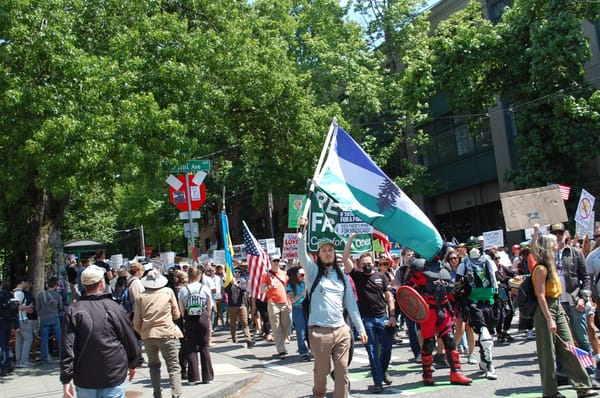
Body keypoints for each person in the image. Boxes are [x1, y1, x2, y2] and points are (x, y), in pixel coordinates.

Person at [298, 217, 367, 398]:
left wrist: (360, 328)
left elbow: (351, 305)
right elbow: (301, 254)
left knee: (342, 370)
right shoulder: (312, 272)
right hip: (319, 332)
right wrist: (302, 230)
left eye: (330, 250)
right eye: (324, 250)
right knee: (322, 371)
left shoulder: (342, 276)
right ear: (318, 254)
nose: (328, 253)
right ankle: (318, 394)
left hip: (342, 330)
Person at [532, 229, 598, 398]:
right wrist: (549, 319)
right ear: (549, 246)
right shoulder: (541, 268)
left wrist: (560, 312)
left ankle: (582, 385)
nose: (558, 244)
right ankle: (550, 392)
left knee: (569, 346)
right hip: (545, 309)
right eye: (554, 242)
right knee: (547, 352)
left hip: (557, 307)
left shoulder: (552, 263)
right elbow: (540, 295)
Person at [61, 265, 139, 398]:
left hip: (85, 376)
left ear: (83, 285)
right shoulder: (114, 307)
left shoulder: (74, 310)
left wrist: (66, 378)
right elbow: (129, 338)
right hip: (112, 373)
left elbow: (67, 347)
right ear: (102, 283)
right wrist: (133, 362)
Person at [405, 251, 472, 386]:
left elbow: (449, 292)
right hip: (428, 310)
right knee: (429, 343)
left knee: (450, 340)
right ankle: (427, 374)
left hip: (443, 309)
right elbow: (408, 289)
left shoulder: (445, 267)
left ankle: (456, 373)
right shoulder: (419, 267)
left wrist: (459, 290)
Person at [342, 239, 395, 393]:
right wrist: (351, 240)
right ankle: (377, 381)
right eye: (364, 263)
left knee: (387, 349)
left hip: (382, 318)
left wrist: (392, 315)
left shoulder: (382, 277)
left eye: (369, 262)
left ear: (374, 263)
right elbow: (346, 259)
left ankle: (383, 371)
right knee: (372, 351)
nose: (367, 265)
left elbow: (389, 297)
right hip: (366, 320)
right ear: (359, 265)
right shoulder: (357, 275)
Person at [549, 222, 599, 385]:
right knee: (560, 340)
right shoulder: (547, 255)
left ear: (566, 234)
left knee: (581, 337)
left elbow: (585, 277)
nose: (558, 236)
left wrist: (583, 298)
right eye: (554, 233)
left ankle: (589, 372)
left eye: (560, 232)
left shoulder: (575, 253)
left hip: (573, 301)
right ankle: (563, 372)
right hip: (556, 302)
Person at [133, 270, 183, 398]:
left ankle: (157, 394)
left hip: (148, 334)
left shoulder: (140, 297)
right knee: (173, 367)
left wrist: (143, 332)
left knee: (154, 366)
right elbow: (176, 314)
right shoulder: (168, 292)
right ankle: (176, 395)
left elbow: (136, 322)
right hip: (167, 332)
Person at [456, 238, 499, 380]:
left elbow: (497, 280)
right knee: (484, 333)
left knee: (487, 335)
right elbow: (457, 285)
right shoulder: (464, 265)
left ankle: (483, 361)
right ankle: (490, 365)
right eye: (471, 247)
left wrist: (502, 299)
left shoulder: (489, 262)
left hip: (491, 301)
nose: (474, 249)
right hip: (474, 303)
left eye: (476, 246)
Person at [178, 266, 214, 384]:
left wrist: (186, 317)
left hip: (189, 318)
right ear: (199, 276)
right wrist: (207, 317)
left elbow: (181, 309)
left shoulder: (183, 290)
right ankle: (207, 376)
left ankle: (193, 377)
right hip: (202, 317)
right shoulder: (204, 288)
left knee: (191, 347)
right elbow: (210, 306)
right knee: (204, 346)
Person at [260, 254, 291, 357]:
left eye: (278, 260)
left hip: (284, 302)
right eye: (275, 261)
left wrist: (289, 303)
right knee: (276, 326)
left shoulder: (284, 274)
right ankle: (281, 349)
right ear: (271, 262)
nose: (277, 262)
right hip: (273, 302)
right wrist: (269, 286)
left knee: (286, 325)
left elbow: (287, 290)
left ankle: (283, 342)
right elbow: (261, 290)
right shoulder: (266, 275)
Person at [223, 269, 254, 348]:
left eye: (238, 272)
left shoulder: (242, 281)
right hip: (231, 306)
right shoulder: (228, 283)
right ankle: (234, 338)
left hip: (241, 305)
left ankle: (248, 339)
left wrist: (237, 285)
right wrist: (230, 283)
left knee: (244, 322)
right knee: (233, 324)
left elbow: (245, 289)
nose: (237, 273)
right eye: (235, 272)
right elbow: (225, 290)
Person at [36, 276, 63, 362]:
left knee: (44, 339)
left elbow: (37, 308)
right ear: (55, 285)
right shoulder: (57, 295)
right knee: (59, 337)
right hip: (55, 317)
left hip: (44, 318)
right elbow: (61, 307)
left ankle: (43, 357)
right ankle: (62, 356)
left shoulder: (40, 295)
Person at [286, 266, 310, 361]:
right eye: (301, 275)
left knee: (310, 331)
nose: (303, 276)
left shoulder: (305, 283)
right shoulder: (289, 286)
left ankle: (312, 349)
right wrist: (302, 293)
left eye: (303, 275)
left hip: (307, 309)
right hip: (298, 309)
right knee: (301, 332)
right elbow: (292, 300)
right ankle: (303, 352)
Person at [14, 278, 35, 367]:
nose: (27, 284)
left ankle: (19, 360)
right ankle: (24, 360)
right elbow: (18, 307)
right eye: (26, 282)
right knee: (28, 338)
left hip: (16, 319)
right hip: (23, 319)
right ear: (22, 282)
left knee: (19, 340)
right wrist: (28, 307)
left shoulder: (14, 292)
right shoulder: (20, 293)